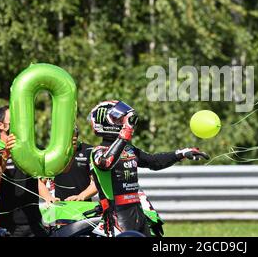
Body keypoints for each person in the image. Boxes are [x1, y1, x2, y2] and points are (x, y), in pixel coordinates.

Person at [89, 100, 209, 236]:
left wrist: (181, 154)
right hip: (117, 217)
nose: (124, 123)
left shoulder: (129, 150)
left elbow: (154, 162)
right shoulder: (97, 152)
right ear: (105, 122)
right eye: (119, 120)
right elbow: (106, 162)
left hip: (137, 212)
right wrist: (125, 133)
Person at [0, 106, 48, 237]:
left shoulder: (33, 149)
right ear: (1, 125)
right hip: (9, 225)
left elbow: (39, 180)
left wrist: (49, 198)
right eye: (12, 119)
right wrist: (6, 156)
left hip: (35, 222)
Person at [50, 128, 97, 202]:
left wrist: (81, 196)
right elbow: (41, 181)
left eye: (72, 140)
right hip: (58, 204)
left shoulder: (89, 150)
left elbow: (98, 181)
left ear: (76, 137)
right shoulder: (53, 151)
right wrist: (49, 198)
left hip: (82, 204)